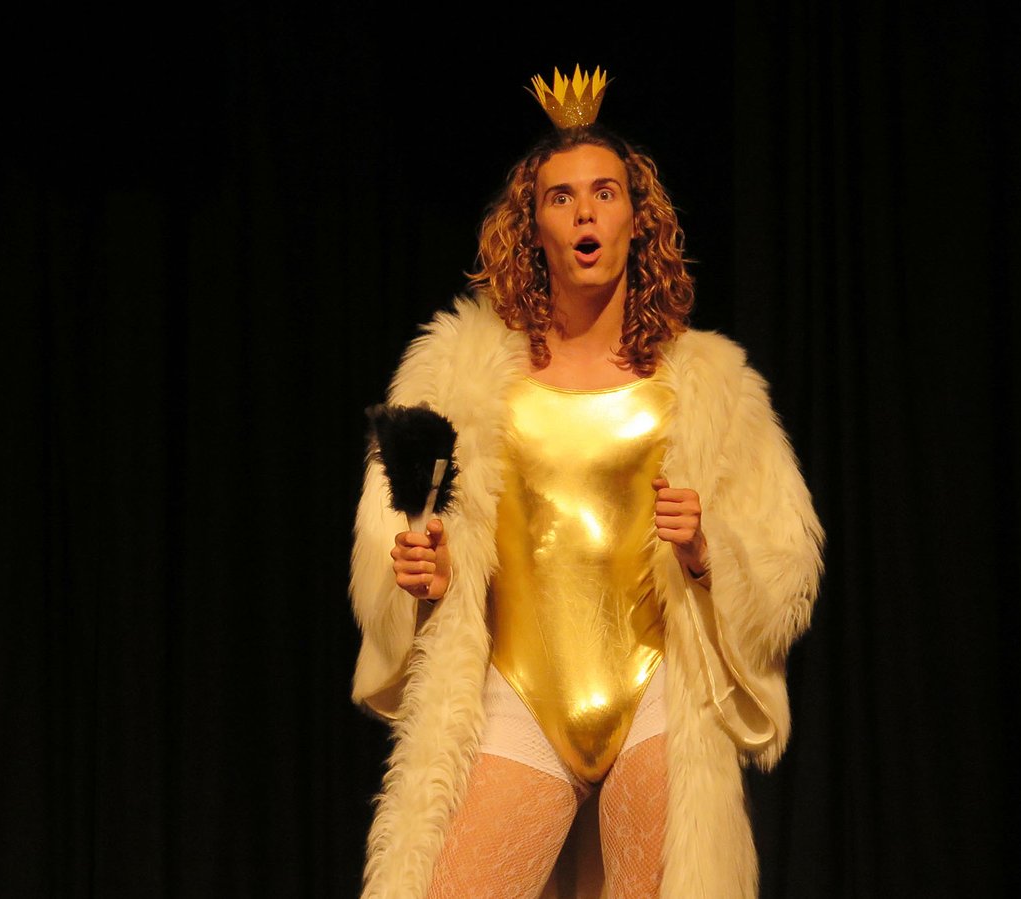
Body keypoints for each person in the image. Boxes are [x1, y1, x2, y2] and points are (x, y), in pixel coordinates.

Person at [349, 68, 823, 899]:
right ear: (532, 226)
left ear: (638, 218)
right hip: (518, 695)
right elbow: (398, 541)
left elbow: (785, 567)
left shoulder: (706, 385)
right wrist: (431, 577)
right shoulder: (459, 379)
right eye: (561, 197)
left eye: (604, 193)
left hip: (655, 699)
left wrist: (707, 550)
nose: (584, 213)